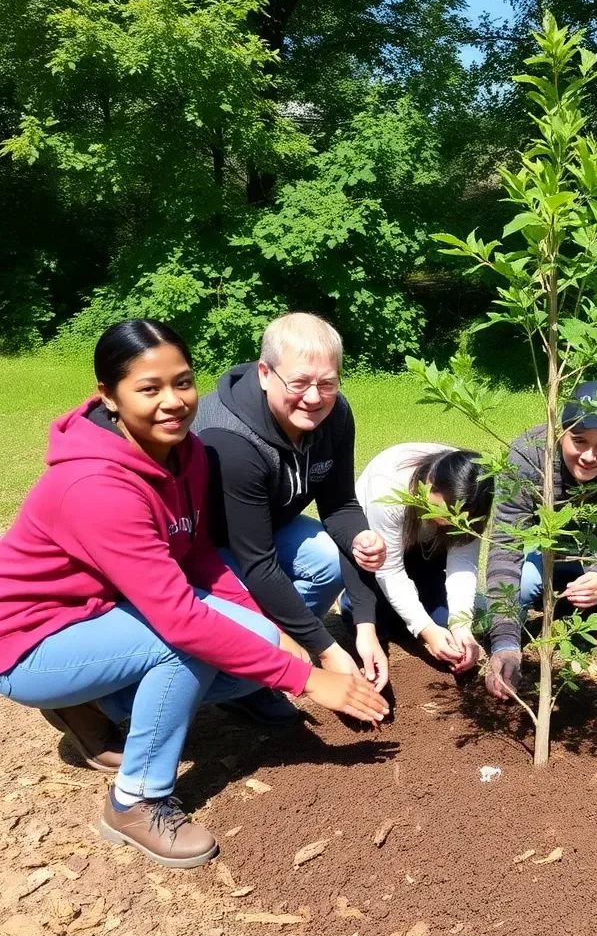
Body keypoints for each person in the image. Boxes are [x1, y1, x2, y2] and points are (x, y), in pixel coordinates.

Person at [0, 320, 388, 868]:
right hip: (33, 639)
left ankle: (96, 702)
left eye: (182, 383)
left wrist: (276, 630)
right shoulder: (95, 486)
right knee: (188, 642)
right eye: (148, 388)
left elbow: (200, 556)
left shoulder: (188, 454)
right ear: (108, 397)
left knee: (245, 634)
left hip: (111, 612)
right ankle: (137, 800)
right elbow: (182, 620)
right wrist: (306, 676)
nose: (173, 402)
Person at [193, 313, 388, 724]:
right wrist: (328, 651)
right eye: (299, 383)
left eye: (328, 384)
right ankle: (251, 674)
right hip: (201, 549)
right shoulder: (230, 441)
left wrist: (365, 625)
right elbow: (258, 564)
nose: (314, 398)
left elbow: (340, 506)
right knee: (260, 628)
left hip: (264, 527)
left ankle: (264, 668)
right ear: (265, 373)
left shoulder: (334, 415)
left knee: (326, 556)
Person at [486, 381, 597, 700]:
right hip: (546, 549)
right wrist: (505, 643)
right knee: (518, 586)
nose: (589, 456)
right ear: (561, 430)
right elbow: (505, 548)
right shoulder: (528, 455)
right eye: (578, 440)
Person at [354, 444, 493, 673]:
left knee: (445, 623)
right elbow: (388, 569)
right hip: (377, 553)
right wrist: (425, 630)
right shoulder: (388, 486)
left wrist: (461, 625)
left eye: (458, 520)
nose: (449, 523)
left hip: (427, 552)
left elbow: (462, 563)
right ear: (428, 483)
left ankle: (422, 598)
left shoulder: (474, 495)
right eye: (444, 513)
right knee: (375, 621)